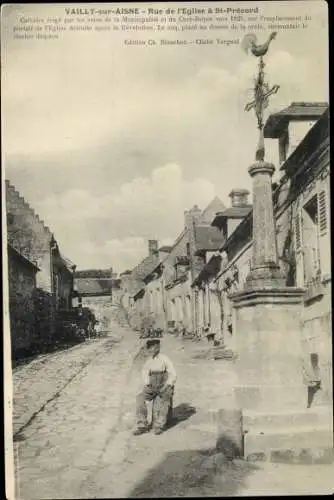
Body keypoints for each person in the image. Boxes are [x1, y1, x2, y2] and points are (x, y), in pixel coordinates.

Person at [133, 338, 176, 436]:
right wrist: (147, 384)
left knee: (164, 400)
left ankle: (159, 425)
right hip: (152, 385)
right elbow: (144, 372)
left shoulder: (164, 358)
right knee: (140, 397)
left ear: (157, 348)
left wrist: (167, 385)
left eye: (152, 348)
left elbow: (173, 374)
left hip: (163, 384)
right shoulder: (149, 360)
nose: (150, 351)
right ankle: (142, 424)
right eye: (149, 349)